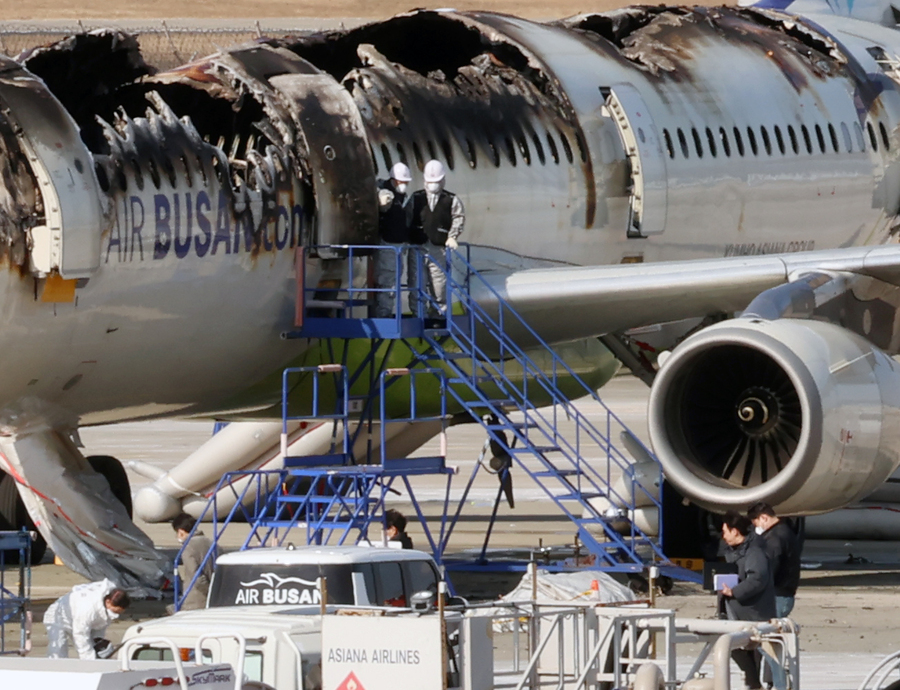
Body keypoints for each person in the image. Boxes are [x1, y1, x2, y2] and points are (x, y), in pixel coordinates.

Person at [719, 511, 776, 690]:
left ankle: (755, 683)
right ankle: (753, 682)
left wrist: (735, 591)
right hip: (734, 608)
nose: (723, 536)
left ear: (735, 531)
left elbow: (757, 578)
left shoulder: (754, 552)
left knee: (746, 646)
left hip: (752, 609)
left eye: (725, 531)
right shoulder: (733, 552)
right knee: (737, 646)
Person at [411, 159, 465, 317]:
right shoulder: (416, 198)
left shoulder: (451, 200)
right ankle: (418, 313)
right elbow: (406, 218)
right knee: (416, 282)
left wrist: (452, 236)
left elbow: (458, 217)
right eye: (430, 181)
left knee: (439, 284)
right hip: (418, 246)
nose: (433, 184)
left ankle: (438, 314)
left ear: (443, 180)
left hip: (438, 248)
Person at [43, 579, 130, 659]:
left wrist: (97, 641)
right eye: (114, 611)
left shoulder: (107, 600)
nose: (116, 615)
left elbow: (99, 625)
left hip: (77, 617)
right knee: (59, 648)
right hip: (57, 616)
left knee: (92, 647)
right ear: (108, 602)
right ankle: (57, 671)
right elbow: (80, 635)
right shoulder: (88, 609)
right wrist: (89, 659)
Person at [747, 501, 801, 617]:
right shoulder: (785, 531)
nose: (758, 528)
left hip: (777, 595)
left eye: (757, 524)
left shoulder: (774, 538)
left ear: (764, 518)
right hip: (784, 593)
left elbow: (770, 566)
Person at [375, 162, 414, 318]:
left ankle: (386, 309)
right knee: (387, 278)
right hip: (387, 244)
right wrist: (382, 198)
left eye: (406, 182)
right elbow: (381, 205)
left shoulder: (400, 196)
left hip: (399, 245)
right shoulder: (386, 194)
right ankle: (383, 312)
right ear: (394, 179)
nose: (404, 184)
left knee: (395, 276)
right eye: (402, 181)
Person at [171, 512, 214, 611]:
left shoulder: (188, 548)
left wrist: (209, 593)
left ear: (181, 532)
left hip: (196, 601)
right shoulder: (212, 543)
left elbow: (196, 577)